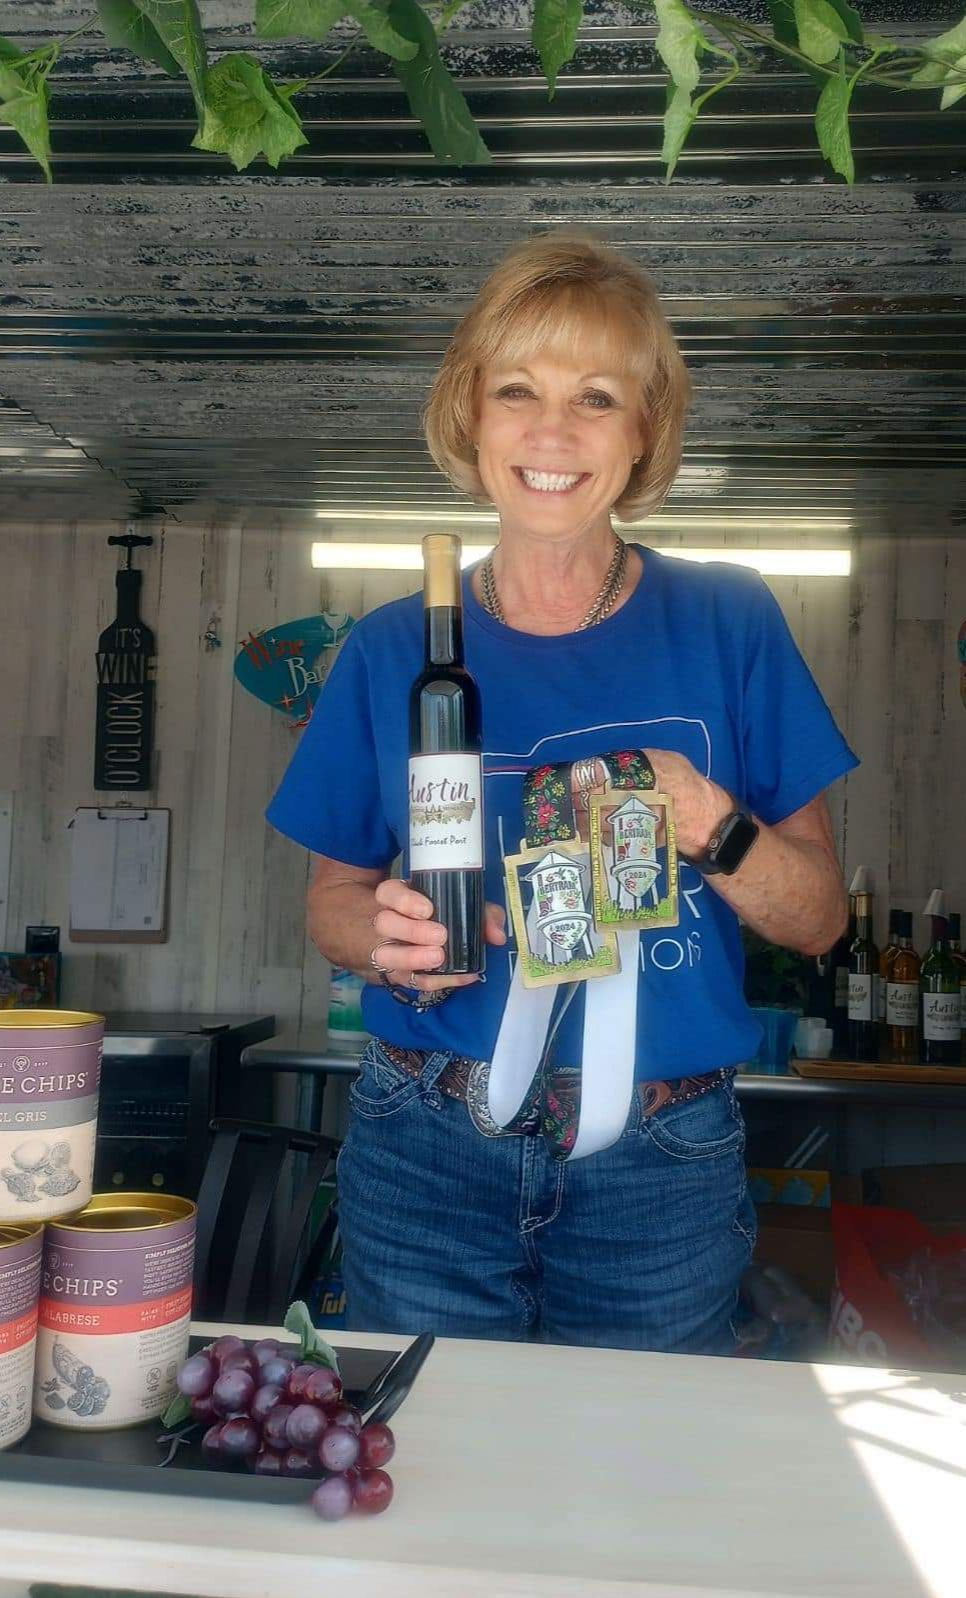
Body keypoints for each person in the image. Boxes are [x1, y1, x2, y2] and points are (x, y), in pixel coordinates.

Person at [267, 231, 857, 1354]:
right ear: (470, 418)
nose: (551, 432)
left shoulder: (732, 621)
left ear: (643, 434)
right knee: (432, 1478)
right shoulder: (392, 649)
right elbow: (330, 900)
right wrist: (376, 931)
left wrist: (712, 822)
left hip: (663, 1162)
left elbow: (819, 915)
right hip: (426, 1136)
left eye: (596, 398)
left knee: (637, 1502)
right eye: (517, 392)